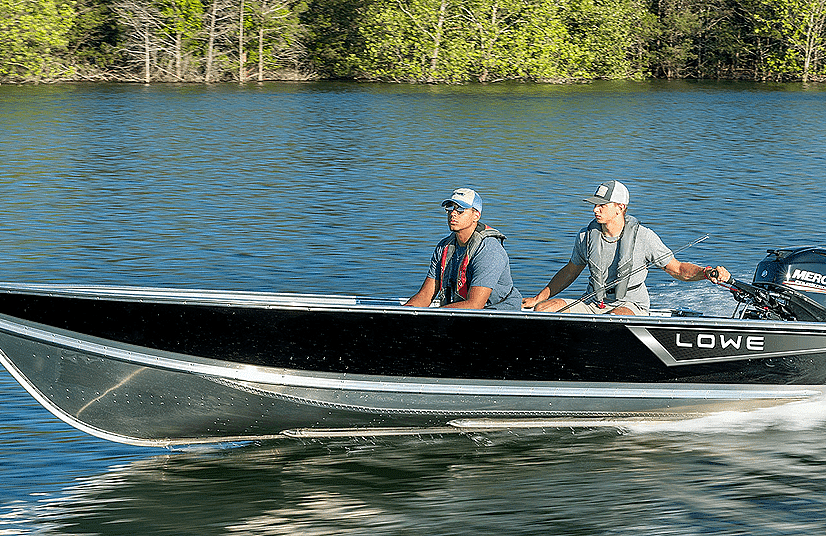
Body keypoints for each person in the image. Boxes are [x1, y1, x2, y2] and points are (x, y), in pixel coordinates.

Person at [522, 180, 730, 315]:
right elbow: (569, 272)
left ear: (620, 208)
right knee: (544, 309)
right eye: (595, 204)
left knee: (614, 318)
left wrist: (706, 272)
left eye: (602, 205)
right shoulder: (585, 236)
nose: (595, 209)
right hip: (594, 303)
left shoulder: (644, 237)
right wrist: (538, 298)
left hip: (631, 307)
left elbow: (678, 269)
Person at [404, 188, 523, 310]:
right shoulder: (443, 247)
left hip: (497, 312)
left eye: (460, 209)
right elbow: (425, 296)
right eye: (450, 208)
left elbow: (475, 305)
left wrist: (436, 314)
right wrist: (405, 311)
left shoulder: (489, 250)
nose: (453, 213)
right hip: (465, 312)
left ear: (476, 216)